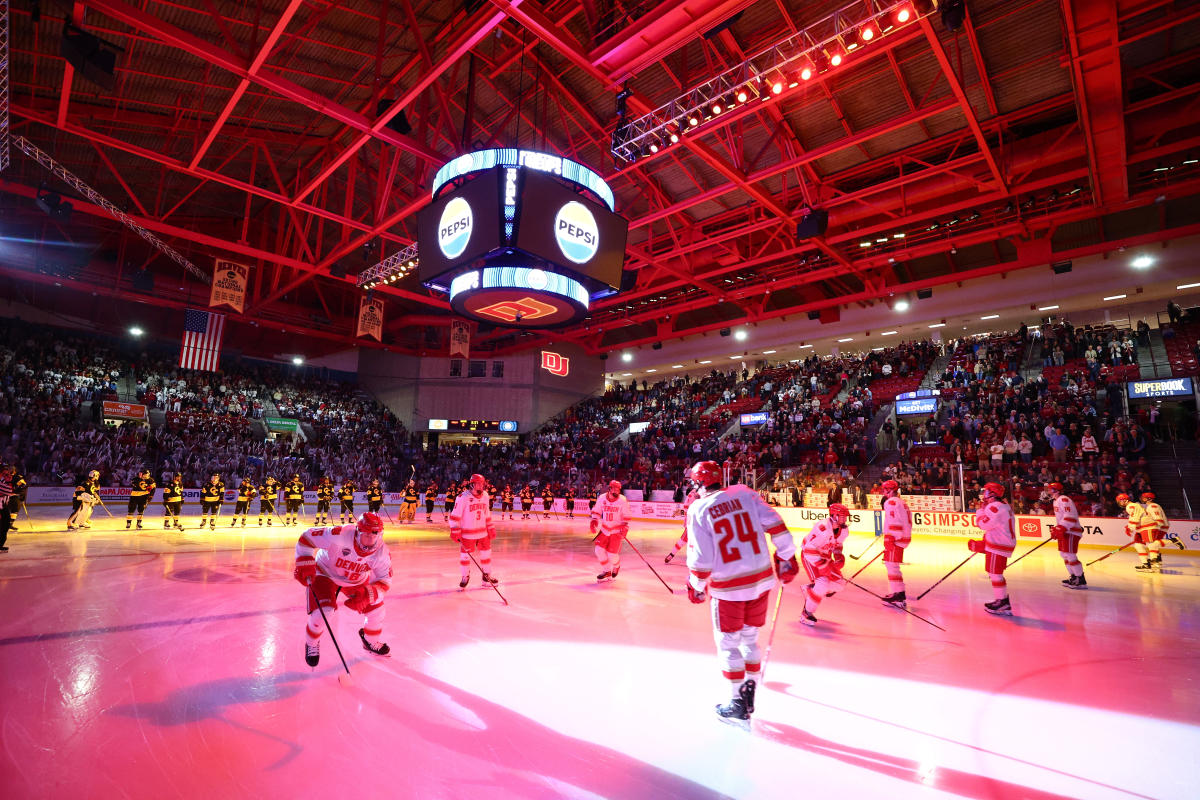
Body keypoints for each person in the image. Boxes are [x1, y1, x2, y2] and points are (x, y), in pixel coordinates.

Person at [685, 459, 798, 722]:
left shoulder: (698, 508)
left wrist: (696, 585)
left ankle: (736, 701)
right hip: (761, 581)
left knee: (727, 645)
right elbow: (777, 525)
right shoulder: (745, 492)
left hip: (729, 589)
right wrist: (787, 556)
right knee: (750, 639)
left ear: (700, 482)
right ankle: (751, 688)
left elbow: (702, 560)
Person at [293, 511, 392, 666]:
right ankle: (312, 643)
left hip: (355, 580)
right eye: (366, 535)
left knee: (377, 611)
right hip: (325, 573)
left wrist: (369, 594)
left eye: (375, 535)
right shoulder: (339, 534)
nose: (370, 540)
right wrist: (304, 560)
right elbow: (307, 537)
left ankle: (370, 640)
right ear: (358, 532)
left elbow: (385, 581)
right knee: (324, 612)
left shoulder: (382, 553)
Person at [798, 503, 851, 626]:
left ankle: (810, 589)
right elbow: (808, 549)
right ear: (834, 515)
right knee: (822, 583)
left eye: (845, 516)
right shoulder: (823, 528)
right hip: (810, 556)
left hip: (825, 557)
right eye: (842, 516)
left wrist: (838, 556)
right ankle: (806, 613)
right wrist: (822, 565)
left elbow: (837, 545)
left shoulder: (844, 530)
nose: (845, 519)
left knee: (840, 584)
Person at [969, 482, 1016, 615]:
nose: (984, 493)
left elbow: (983, 525)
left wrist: (980, 511)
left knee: (995, 574)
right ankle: (1002, 600)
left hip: (999, 545)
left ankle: (1002, 602)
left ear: (992, 493)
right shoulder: (1002, 505)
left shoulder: (995, 507)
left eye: (987, 491)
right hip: (999, 543)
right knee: (994, 574)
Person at [448, 474, 498, 589]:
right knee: (465, 556)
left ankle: (486, 577)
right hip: (467, 534)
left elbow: (487, 513)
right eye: (478, 483)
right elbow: (455, 515)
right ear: (472, 484)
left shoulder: (485, 495)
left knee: (486, 554)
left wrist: (490, 527)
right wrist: (455, 530)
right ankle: (465, 576)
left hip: (483, 533)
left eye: (482, 483)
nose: (481, 486)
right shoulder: (462, 497)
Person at [879, 479, 912, 608]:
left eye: (884, 489)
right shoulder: (901, 502)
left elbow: (894, 522)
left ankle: (898, 595)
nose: (883, 492)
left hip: (895, 539)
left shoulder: (891, 502)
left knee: (892, 566)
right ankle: (898, 593)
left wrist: (890, 538)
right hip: (901, 538)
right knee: (891, 565)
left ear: (889, 490)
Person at [590, 480, 631, 582]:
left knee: (612, 555)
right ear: (609, 488)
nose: (617, 491)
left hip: (616, 531)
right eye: (615, 489)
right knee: (598, 550)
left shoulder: (622, 500)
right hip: (604, 529)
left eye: (618, 489)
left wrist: (625, 527)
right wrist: (594, 519)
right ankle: (607, 570)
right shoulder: (602, 498)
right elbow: (597, 510)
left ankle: (616, 566)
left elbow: (626, 516)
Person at [1047, 482, 1086, 588]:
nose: (1048, 491)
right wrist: (1057, 529)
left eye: (1051, 489)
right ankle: (1074, 576)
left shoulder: (1064, 499)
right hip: (1065, 531)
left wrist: (1060, 528)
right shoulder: (1056, 501)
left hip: (1071, 531)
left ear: (1056, 490)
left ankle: (1080, 579)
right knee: (1064, 554)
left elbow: (1070, 516)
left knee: (1070, 555)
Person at [0, 464, 15, 552]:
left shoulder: (3, 481)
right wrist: (9, 482)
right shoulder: (2, 482)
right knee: (4, 525)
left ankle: (0, 544)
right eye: (6, 474)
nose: (8, 476)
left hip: (3, 505)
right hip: (1, 506)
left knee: (4, 525)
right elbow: (9, 491)